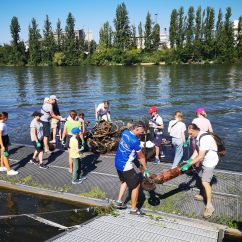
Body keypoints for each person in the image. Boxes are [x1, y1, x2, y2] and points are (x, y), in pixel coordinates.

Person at [181, 123, 218, 218]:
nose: (189, 135)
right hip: (205, 160)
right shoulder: (198, 136)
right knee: (201, 178)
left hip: (210, 161)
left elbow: (201, 156)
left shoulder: (204, 138)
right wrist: (190, 159)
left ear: (194, 130)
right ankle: (203, 195)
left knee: (205, 182)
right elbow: (197, 151)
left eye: (190, 133)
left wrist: (189, 164)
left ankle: (209, 206)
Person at [114, 121, 149, 215]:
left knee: (124, 181)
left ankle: (119, 202)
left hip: (117, 162)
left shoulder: (125, 133)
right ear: (137, 129)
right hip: (126, 166)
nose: (142, 134)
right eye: (141, 132)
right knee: (136, 186)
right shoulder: (135, 141)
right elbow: (141, 157)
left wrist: (138, 166)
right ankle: (133, 209)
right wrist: (145, 169)